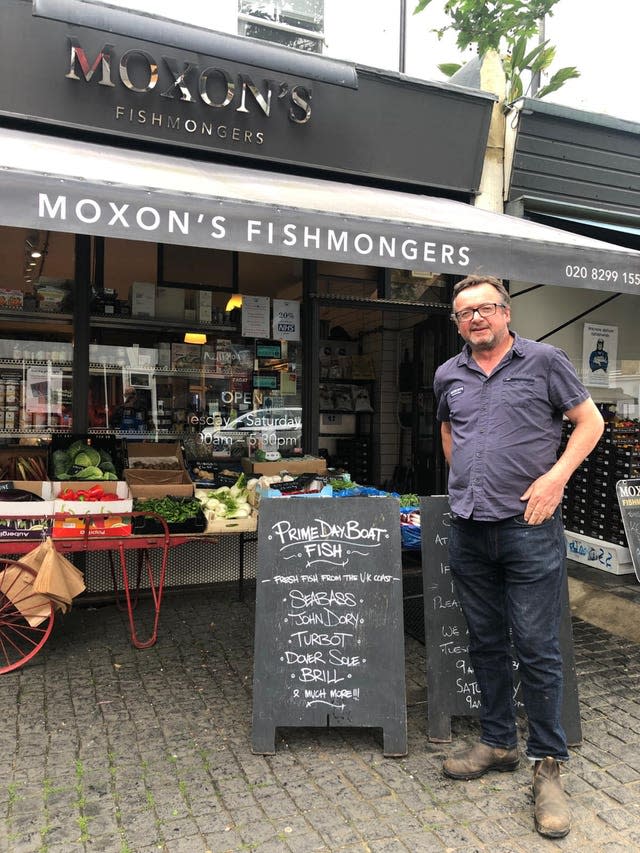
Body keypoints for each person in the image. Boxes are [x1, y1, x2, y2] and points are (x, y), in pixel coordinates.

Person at [433, 275, 604, 839]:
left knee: (536, 645)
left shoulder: (546, 361)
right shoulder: (448, 374)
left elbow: (590, 422)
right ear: (456, 323)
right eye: (464, 313)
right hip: (470, 529)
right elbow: (450, 434)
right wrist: (466, 485)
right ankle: (498, 741)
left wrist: (556, 478)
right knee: (484, 640)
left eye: (484, 308)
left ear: (506, 313)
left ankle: (548, 765)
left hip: (529, 527)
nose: (474, 318)